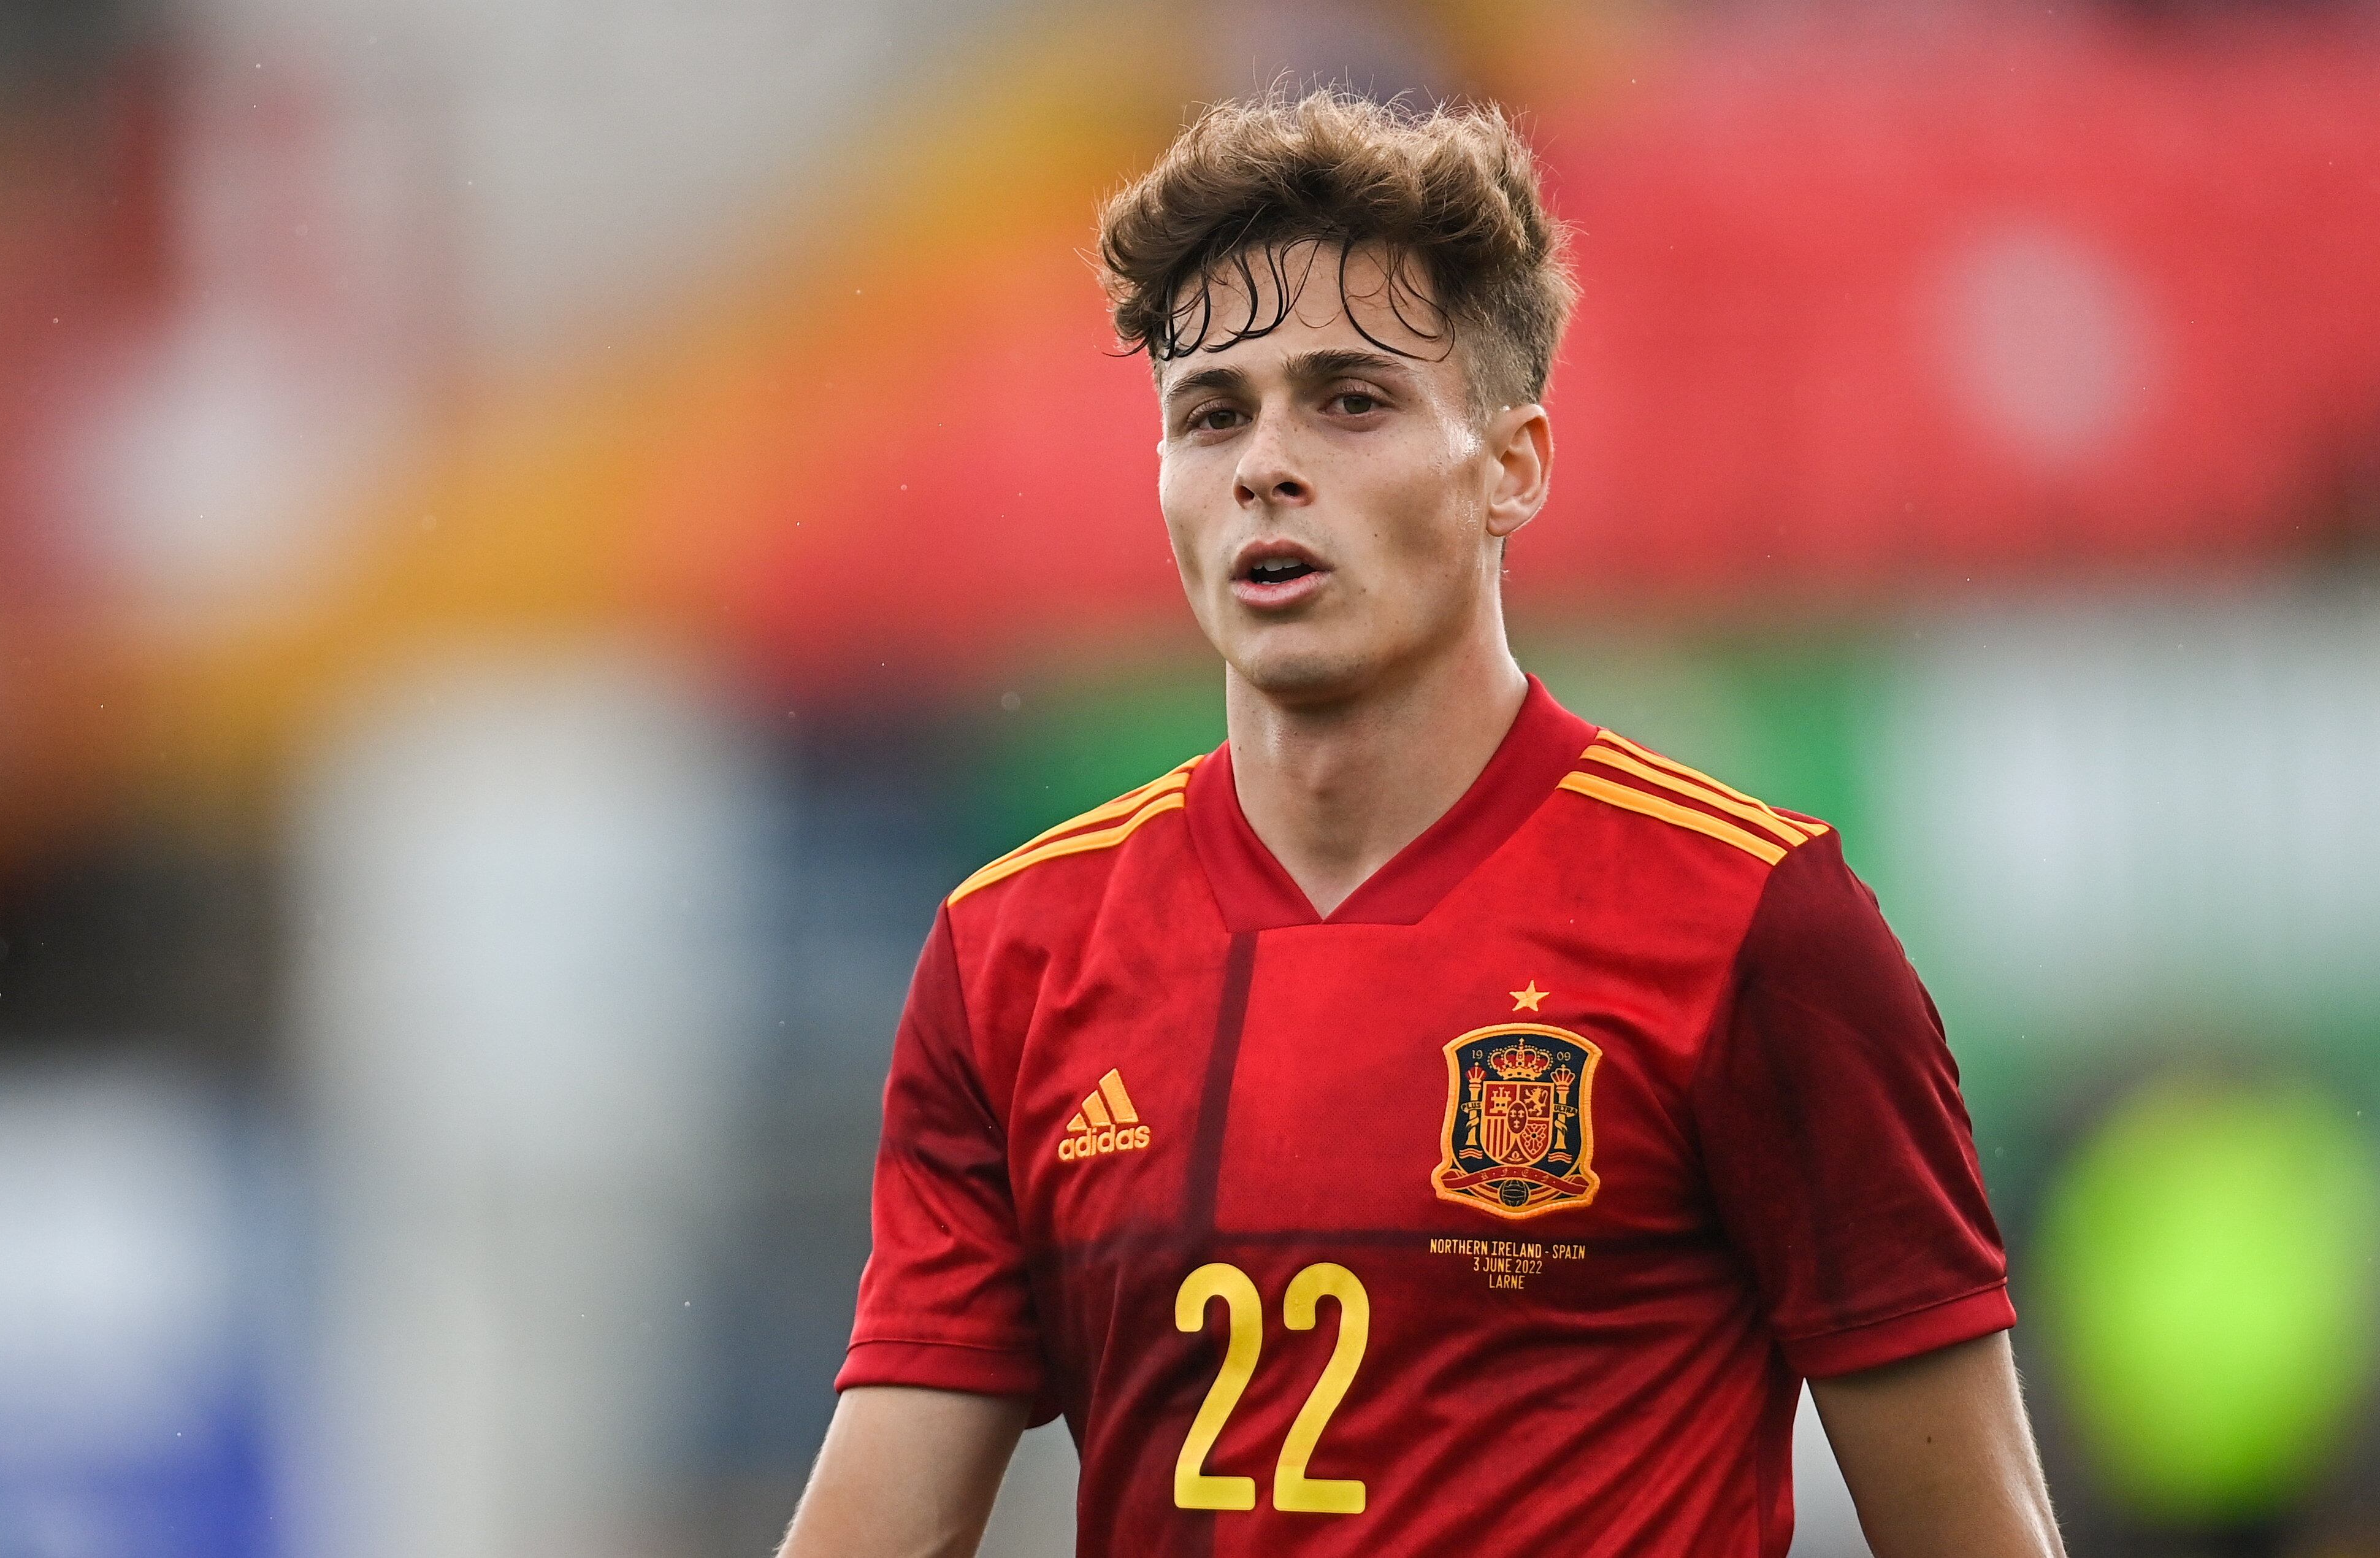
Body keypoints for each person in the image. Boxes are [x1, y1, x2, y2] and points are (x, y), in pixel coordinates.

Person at [779, 90, 2065, 1558]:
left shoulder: (1757, 925)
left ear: (1511, 465)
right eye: (1212, 414)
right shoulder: (1010, 954)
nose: (1266, 460)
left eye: (1350, 398)